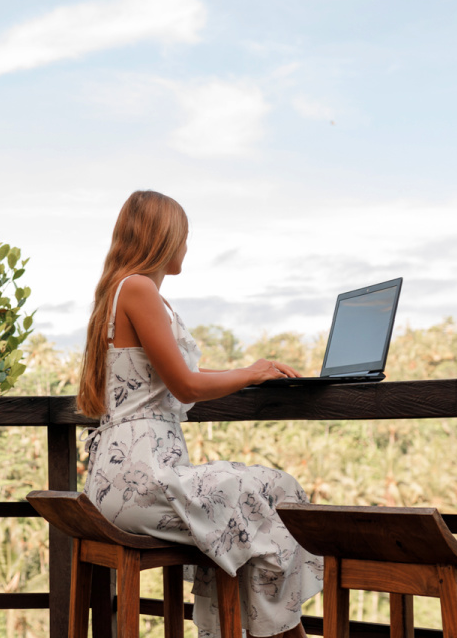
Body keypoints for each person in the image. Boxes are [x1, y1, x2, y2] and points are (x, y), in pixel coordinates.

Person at [79, 190, 323, 638]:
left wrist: (253, 370)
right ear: (163, 238)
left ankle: (261, 630)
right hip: (142, 478)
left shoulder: (122, 291)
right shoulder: (138, 288)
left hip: (121, 478)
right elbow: (187, 384)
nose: (186, 247)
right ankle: (282, 633)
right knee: (277, 491)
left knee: (245, 515)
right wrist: (250, 374)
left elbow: (178, 370)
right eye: (183, 236)